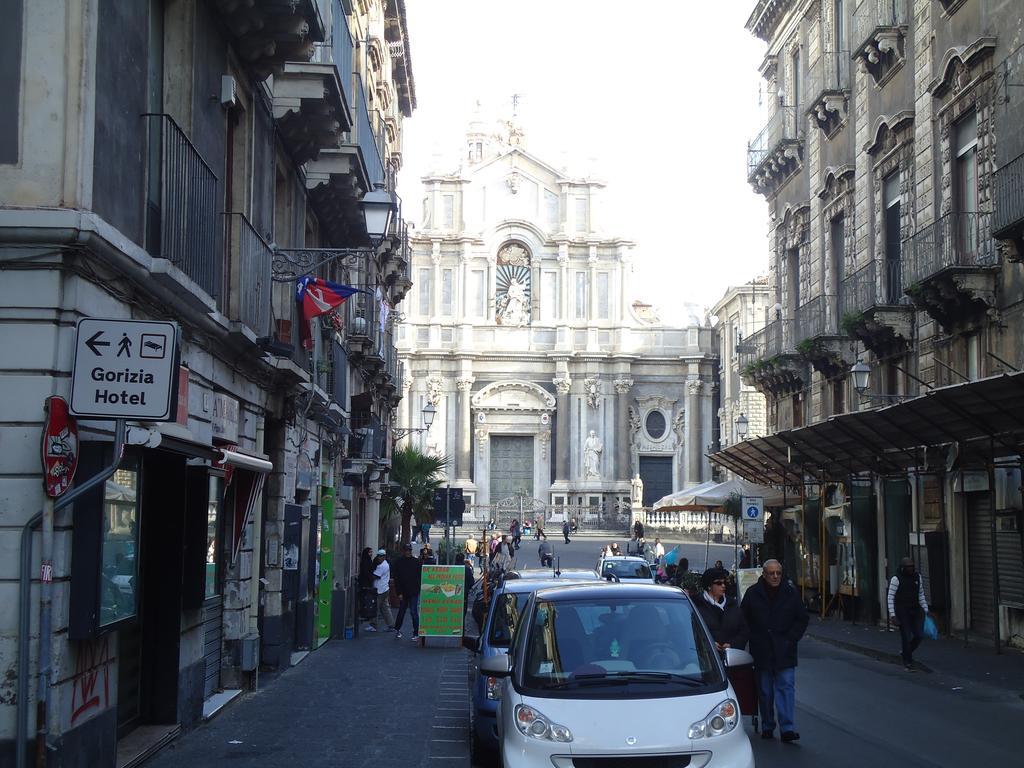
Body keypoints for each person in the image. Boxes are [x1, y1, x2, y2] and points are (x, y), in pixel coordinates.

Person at [741, 559, 809, 743]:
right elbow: (743, 619)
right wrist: (751, 638)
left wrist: (791, 638)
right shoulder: (753, 593)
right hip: (762, 650)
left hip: (784, 650)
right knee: (765, 691)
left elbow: (801, 618)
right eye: (771, 573)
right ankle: (768, 725)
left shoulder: (791, 593)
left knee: (786, 688)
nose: (775, 576)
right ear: (764, 574)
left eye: (778, 572)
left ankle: (787, 728)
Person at [887, 556, 930, 670]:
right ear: (902, 568)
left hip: (915, 609)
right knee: (906, 636)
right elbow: (890, 597)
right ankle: (908, 661)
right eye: (908, 567)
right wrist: (893, 615)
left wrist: (925, 610)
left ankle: (906, 652)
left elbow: (921, 594)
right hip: (902, 611)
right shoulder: (896, 579)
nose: (911, 569)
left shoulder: (917, 577)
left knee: (919, 635)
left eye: (912, 566)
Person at [695, 567, 749, 652]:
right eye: (718, 583)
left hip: (733, 657)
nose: (723, 586)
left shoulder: (732, 604)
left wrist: (732, 644)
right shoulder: (697, 605)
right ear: (709, 586)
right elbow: (693, 632)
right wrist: (708, 643)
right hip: (707, 657)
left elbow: (744, 631)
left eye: (724, 583)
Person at [392, 544, 422, 640]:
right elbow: (397, 578)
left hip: (413, 591)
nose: (408, 552)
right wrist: (399, 592)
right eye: (406, 550)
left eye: (409, 550)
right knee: (402, 611)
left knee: (413, 611)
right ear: (403, 551)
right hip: (404, 591)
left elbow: (420, 576)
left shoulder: (416, 562)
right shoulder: (398, 562)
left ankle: (416, 632)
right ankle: (397, 629)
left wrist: (418, 587)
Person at [368, 549, 396, 633]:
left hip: (380, 590)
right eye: (378, 556)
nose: (379, 557)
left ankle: (374, 625)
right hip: (384, 589)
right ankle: (391, 625)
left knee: (375, 607)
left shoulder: (383, 566)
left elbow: (375, 576)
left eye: (381, 556)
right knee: (385, 608)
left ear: (384, 556)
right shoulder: (383, 564)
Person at [455, 553, 475, 620]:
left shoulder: (452, 568)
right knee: (462, 615)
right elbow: (472, 583)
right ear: (463, 560)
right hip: (464, 596)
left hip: (452, 597)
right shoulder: (467, 569)